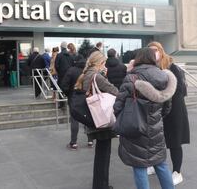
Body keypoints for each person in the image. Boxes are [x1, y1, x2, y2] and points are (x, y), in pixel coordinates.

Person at [113, 47, 177, 189]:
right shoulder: (164, 77)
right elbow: (167, 107)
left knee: (139, 166)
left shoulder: (132, 77)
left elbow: (118, 106)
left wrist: (123, 118)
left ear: (138, 59)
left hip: (135, 128)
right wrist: (155, 118)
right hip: (156, 129)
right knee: (160, 164)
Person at [148, 41, 190, 185]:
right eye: (150, 51)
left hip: (175, 110)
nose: (153, 53)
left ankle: (177, 172)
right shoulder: (152, 67)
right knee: (158, 141)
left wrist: (162, 97)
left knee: (175, 142)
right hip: (159, 111)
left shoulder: (172, 67)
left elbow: (180, 91)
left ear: (161, 50)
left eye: (155, 50)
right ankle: (156, 165)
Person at [74, 51, 118, 189]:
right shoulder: (97, 76)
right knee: (104, 155)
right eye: (104, 63)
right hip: (102, 119)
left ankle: (100, 184)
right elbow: (115, 91)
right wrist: (104, 76)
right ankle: (101, 185)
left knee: (100, 153)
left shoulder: (86, 74)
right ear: (101, 63)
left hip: (93, 118)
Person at [60, 54, 94, 150]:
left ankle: (73, 143)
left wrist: (68, 94)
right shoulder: (88, 71)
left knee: (74, 119)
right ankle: (90, 140)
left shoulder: (71, 70)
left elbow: (64, 85)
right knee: (87, 118)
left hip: (73, 97)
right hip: (87, 96)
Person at [55, 42, 74, 107]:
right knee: (69, 88)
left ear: (61, 47)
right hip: (70, 74)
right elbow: (72, 64)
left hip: (61, 75)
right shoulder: (70, 55)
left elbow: (56, 66)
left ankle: (62, 103)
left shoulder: (59, 55)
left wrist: (59, 72)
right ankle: (69, 102)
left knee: (60, 88)